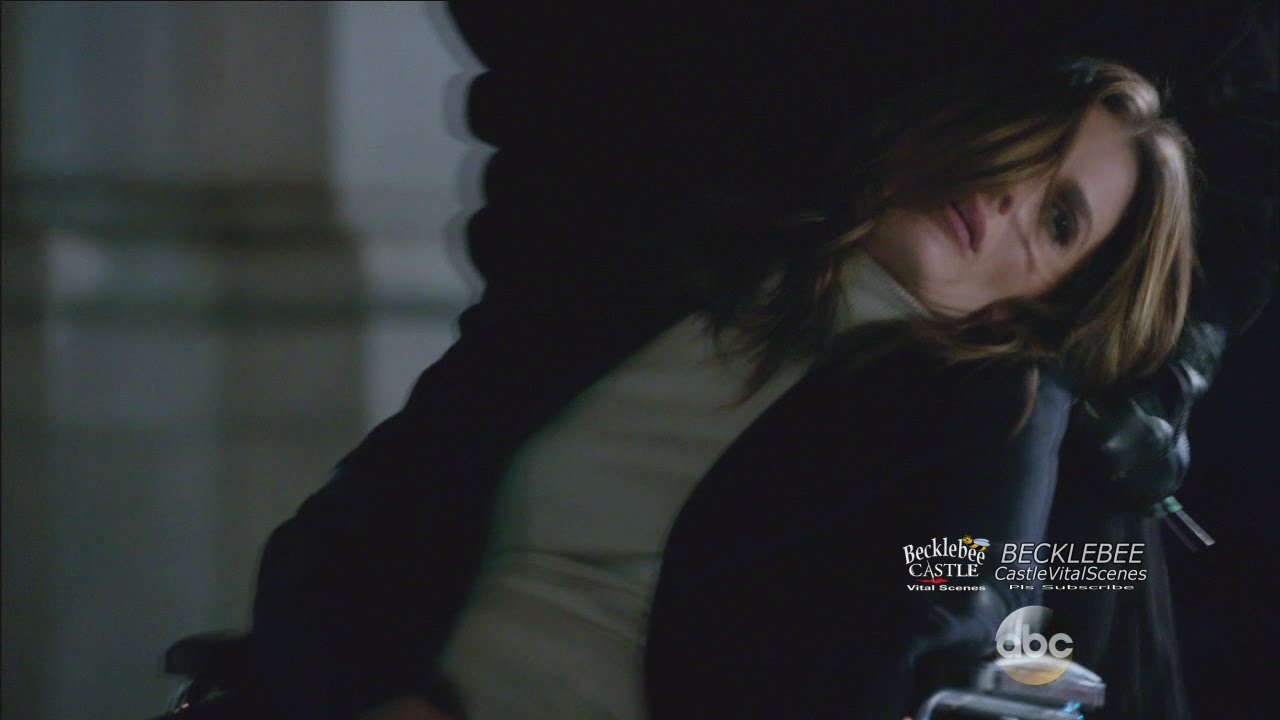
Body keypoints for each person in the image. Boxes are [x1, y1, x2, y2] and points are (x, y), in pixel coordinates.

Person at [245, 52, 1198, 720]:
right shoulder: (649, 278)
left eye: (1058, 218)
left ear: (1051, 297)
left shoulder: (996, 410)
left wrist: (995, 579)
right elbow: (344, 530)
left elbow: (959, 602)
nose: (1007, 194)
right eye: (1019, 144)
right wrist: (377, 700)